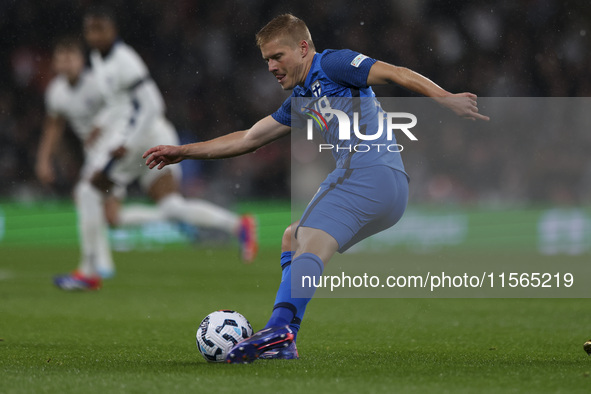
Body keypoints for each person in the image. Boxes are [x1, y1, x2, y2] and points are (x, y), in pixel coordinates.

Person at [144, 14, 489, 362]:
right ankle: (286, 339)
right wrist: (183, 152)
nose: (271, 66)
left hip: (367, 173)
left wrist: (445, 98)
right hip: (390, 189)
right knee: (292, 237)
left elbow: (395, 72)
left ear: (304, 48)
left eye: (277, 56)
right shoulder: (301, 99)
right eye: (266, 60)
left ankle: (279, 329)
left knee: (304, 236)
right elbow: (249, 138)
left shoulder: (334, 64)